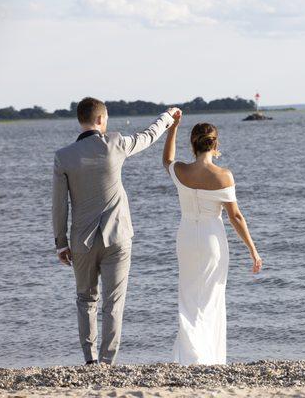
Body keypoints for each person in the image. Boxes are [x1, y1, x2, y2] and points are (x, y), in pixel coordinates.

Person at [52, 97, 180, 365]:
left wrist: (61, 243)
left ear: (81, 120)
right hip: (118, 237)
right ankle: (107, 361)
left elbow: (59, 204)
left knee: (85, 299)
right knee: (113, 302)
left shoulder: (63, 157)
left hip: (81, 241)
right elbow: (149, 136)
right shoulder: (116, 144)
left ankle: (89, 361)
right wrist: (168, 117)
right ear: (101, 120)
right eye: (106, 118)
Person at [162, 112, 262, 365]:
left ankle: (189, 353)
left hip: (185, 236)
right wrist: (252, 250)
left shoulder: (181, 170)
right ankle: (206, 355)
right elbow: (235, 217)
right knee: (211, 296)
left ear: (193, 144)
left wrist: (173, 127)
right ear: (215, 144)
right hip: (211, 238)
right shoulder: (223, 175)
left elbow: (167, 160)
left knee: (188, 295)